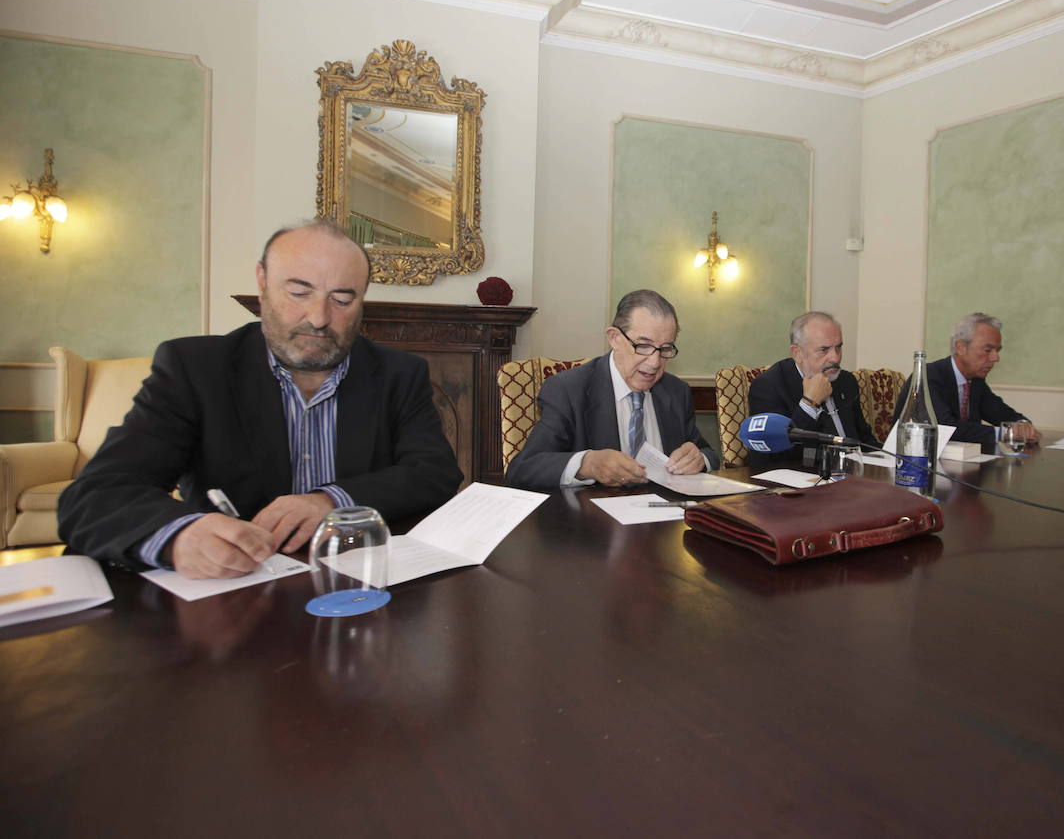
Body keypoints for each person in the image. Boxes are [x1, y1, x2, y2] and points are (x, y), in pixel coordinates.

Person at [58, 221, 461, 579]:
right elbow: (97, 495)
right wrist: (179, 537)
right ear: (262, 281)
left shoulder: (399, 372)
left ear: (363, 301)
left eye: (342, 300)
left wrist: (332, 500)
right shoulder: (194, 368)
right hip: (236, 597)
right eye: (299, 292)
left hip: (362, 586)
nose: (318, 318)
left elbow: (434, 473)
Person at [505, 289, 718, 489]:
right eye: (643, 346)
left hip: (666, 517)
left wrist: (700, 459)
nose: (654, 362)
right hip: (594, 522)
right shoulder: (568, 390)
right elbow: (523, 469)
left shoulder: (675, 391)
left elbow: (707, 452)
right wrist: (585, 464)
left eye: (665, 348)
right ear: (614, 338)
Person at [746, 311, 880, 467]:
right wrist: (810, 404)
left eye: (838, 347)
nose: (835, 358)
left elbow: (864, 441)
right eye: (824, 350)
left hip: (852, 476)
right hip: (801, 481)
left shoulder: (846, 381)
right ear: (797, 353)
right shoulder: (768, 386)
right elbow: (775, 456)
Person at [894, 312, 1039, 453]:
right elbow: (945, 428)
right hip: (914, 462)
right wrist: (1005, 433)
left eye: (997, 350)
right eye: (988, 350)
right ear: (961, 347)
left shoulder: (975, 381)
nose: (995, 358)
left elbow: (1003, 414)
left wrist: (1023, 425)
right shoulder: (928, 376)